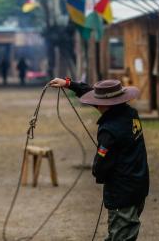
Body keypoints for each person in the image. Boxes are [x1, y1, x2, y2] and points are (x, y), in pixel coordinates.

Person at [50, 77, 149, 241]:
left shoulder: (109, 131)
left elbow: (101, 167)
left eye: (98, 100)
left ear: (106, 104)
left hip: (121, 194)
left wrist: (97, 171)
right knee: (119, 233)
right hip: (139, 187)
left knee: (121, 236)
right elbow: (92, 93)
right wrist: (69, 84)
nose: (95, 102)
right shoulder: (130, 113)